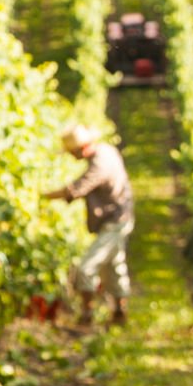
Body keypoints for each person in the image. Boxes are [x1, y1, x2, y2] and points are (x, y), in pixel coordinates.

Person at [43, 124, 134, 326]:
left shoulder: (100, 164)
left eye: (72, 152)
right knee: (114, 265)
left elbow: (77, 189)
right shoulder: (107, 151)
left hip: (114, 221)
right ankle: (119, 313)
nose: (71, 156)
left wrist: (44, 196)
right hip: (120, 217)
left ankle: (87, 316)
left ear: (81, 149)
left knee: (87, 267)